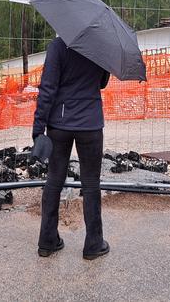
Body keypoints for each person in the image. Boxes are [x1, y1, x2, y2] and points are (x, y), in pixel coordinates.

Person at [32, 36, 111, 260]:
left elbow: (47, 88)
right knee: (91, 184)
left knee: (54, 181)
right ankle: (94, 244)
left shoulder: (58, 46)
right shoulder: (100, 46)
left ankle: (47, 241)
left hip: (60, 124)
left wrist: (38, 128)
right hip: (91, 124)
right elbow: (102, 83)